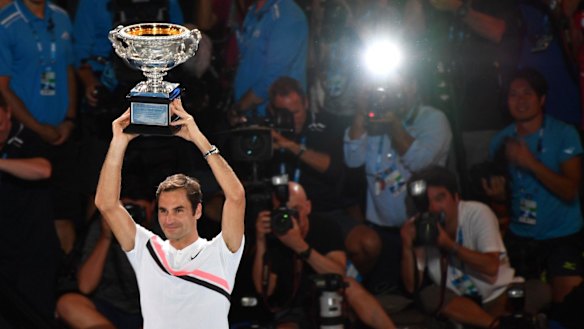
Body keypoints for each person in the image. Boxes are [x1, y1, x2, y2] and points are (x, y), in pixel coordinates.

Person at [94, 98, 246, 328]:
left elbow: (236, 197)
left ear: (198, 211)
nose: (169, 219)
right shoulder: (147, 249)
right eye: (164, 210)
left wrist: (198, 138)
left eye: (178, 210)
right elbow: (106, 204)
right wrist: (119, 141)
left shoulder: (221, 253)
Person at [484, 68, 584, 322]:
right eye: (513, 95)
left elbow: (570, 191)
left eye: (527, 93)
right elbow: (504, 199)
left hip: (563, 236)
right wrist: (497, 198)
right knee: (512, 306)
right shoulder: (500, 141)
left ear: (542, 99)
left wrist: (531, 163)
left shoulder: (564, 134)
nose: (520, 100)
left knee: (569, 305)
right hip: (521, 237)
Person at [343, 67, 452, 296]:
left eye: (396, 86)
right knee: (382, 296)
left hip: (421, 230)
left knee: (421, 296)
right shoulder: (371, 119)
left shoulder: (432, 119)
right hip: (381, 230)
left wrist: (394, 125)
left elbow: (422, 164)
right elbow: (352, 159)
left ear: (413, 87)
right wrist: (361, 113)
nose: (389, 93)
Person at [401, 165, 539, 329]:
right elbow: (412, 286)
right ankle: (493, 325)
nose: (434, 208)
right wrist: (407, 245)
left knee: (530, 295)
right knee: (429, 295)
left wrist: (449, 245)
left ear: (456, 197)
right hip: (461, 302)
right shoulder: (424, 226)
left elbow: (491, 267)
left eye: (440, 198)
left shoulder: (477, 212)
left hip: (498, 293)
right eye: (427, 202)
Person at [252, 180, 396, 329]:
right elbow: (264, 290)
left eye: (295, 210)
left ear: (308, 207)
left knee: (350, 286)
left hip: (326, 296)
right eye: (283, 211)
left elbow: (338, 273)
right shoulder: (274, 235)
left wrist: (299, 246)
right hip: (291, 307)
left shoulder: (325, 227)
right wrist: (260, 240)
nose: (289, 218)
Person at [0, 0, 80, 255]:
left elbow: (68, 70)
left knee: (65, 213)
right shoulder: (6, 22)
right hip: (24, 135)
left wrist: (69, 118)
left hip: (62, 132)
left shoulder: (61, 17)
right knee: (30, 216)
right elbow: (2, 87)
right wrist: (36, 127)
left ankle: (64, 280)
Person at [267, 76, 362, 236]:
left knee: (365, 242)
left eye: (296, 112)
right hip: (281, 211)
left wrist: (292, 147)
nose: (291, 119)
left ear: (306, 103)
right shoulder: (268, 133)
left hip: (324, 211)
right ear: (272, 110)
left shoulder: (326, 127)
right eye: (284, 113)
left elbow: (333, 169)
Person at [0, 92, 61, 326]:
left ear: (8, 113)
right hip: (4, 252)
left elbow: (43, 170)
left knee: (34, 317)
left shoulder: (27, 138)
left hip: (34, 253)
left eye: (0, 124)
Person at [56, 197, 155, 329]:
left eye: (137, 208)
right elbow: (85, 286)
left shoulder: (165, 230)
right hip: (106, 309)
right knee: (67, 304)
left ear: (153, 206)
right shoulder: (103, 227)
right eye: (126, 208)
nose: (130, 215)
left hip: (146, 313)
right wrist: (106, 237)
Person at [230, 0, 308, 121]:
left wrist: (239, 108)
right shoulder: (255, 11)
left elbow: (273, 79)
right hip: (250, 117)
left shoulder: (288, 15)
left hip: (272, 122)